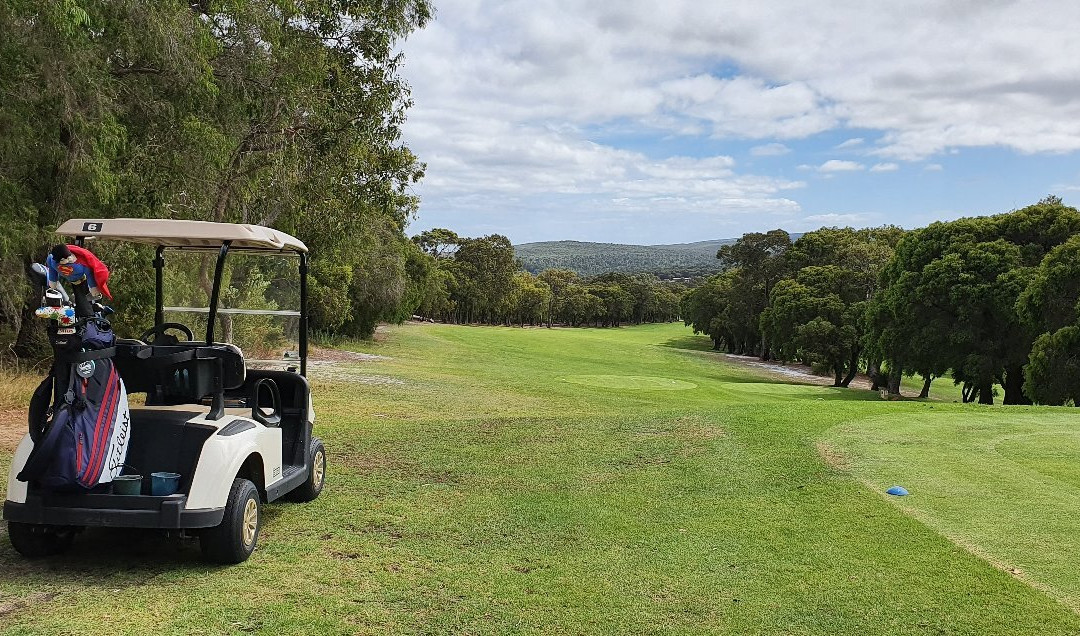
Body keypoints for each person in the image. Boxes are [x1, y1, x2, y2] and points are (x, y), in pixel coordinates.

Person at [46, 244, 111, 318]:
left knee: (83, 305)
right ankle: (87, 312)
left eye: (67, 258)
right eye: (63, 260)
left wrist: (93, 287)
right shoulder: (52, 261)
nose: (67, 261)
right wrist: (53, 282)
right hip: (72, 282)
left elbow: (89, 273)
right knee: (77, 301)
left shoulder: (79, 264)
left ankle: (89, 319)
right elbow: (52, 271)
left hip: (83, 282)